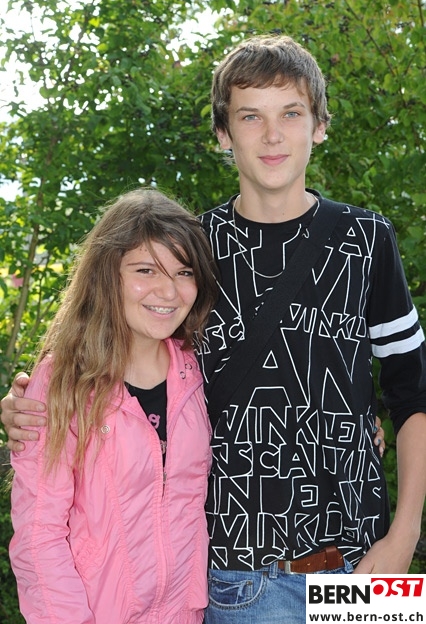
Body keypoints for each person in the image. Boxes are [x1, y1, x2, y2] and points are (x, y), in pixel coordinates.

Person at [2, 34, 423, 623]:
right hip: (240, 578)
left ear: (320, 126)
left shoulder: (367, 239)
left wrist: (404, 536)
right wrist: (32, 404)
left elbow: (413, 393)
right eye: (251, 116)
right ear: (224, 134)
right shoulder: (192, 253)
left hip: (369, 563)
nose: (272, 135)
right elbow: (128, 369)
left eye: (291, 114)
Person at [6, 188, 219, 624]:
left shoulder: (198, 372)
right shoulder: (64, 381)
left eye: (184, 272)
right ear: (108, 275)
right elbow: (38, 536)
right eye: (146, 270)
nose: (169, 291)